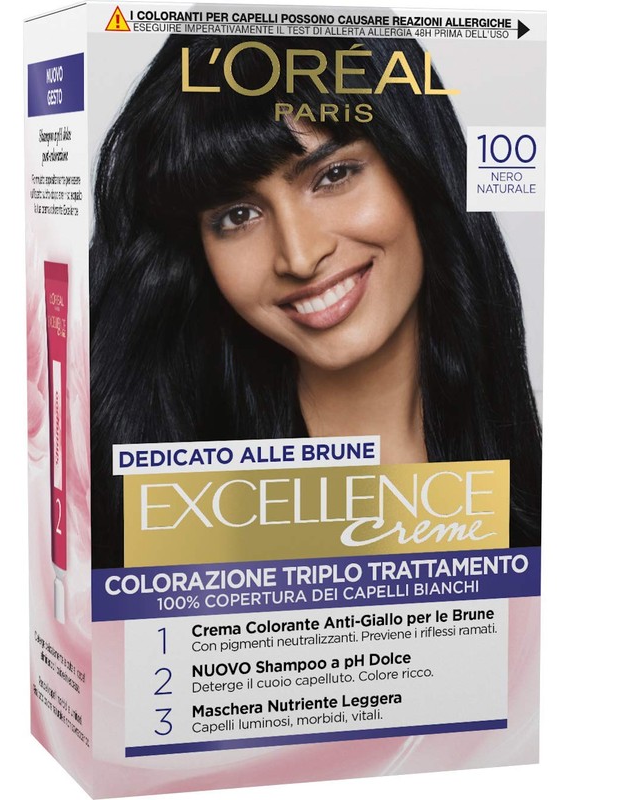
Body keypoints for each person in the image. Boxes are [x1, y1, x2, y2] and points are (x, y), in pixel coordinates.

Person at [89, 34, 542, 567]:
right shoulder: (172, 519)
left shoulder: (537, 484)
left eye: (334, 175)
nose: (300, 257)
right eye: (237, 215)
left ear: (417, 165)